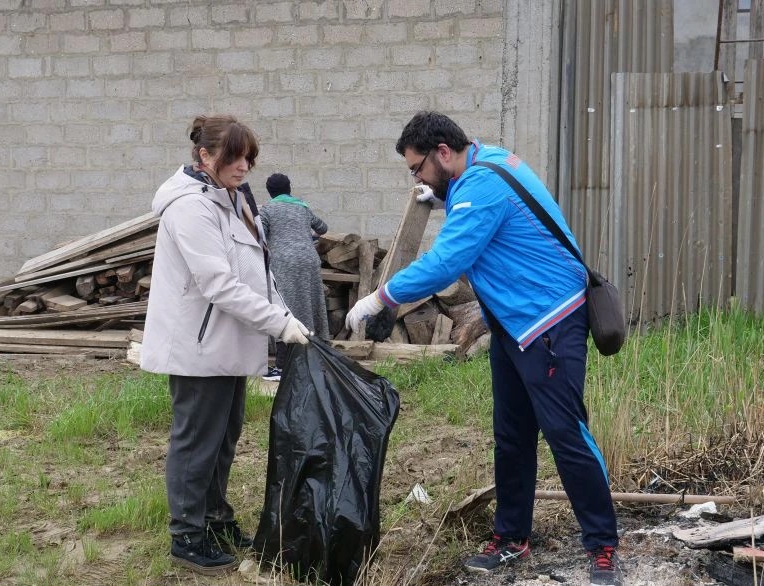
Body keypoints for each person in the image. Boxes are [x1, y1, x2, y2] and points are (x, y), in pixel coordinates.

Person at [345, 111, 623, 585]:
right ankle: (512, 538)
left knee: (566, 434)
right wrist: (441, 198)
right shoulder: (484, 164)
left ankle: (603, 547)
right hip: (514, 327)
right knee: (511, 437)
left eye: (417, 168)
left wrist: (379, 297)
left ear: (443, 153)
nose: (415, 177)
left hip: (549, 322)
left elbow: (447, 261)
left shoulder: (480, 186)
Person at [141, 114, 311, 576]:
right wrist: (278, 324)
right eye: (234, 157)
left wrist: (288, 315)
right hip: (199, 347)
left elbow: (259, 271)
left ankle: (214, 518)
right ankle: (187, 535)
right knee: (197, 441)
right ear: (204, 156)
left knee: (224, 438)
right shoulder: (189, 207)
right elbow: (218, 284)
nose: (244, 167)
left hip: (228, 344)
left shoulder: (233, 199)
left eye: (249, 158)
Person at [259, 173, 330, 382]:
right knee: (309, 307)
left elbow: (259, 234)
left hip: (284, 263)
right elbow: (323, 228)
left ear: (269, 191)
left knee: (283, 308)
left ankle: (282, 367)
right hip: (309, 260)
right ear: (289, 188)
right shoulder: (302, 207)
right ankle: (316, 359)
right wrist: (305, 236)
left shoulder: (268, 209)